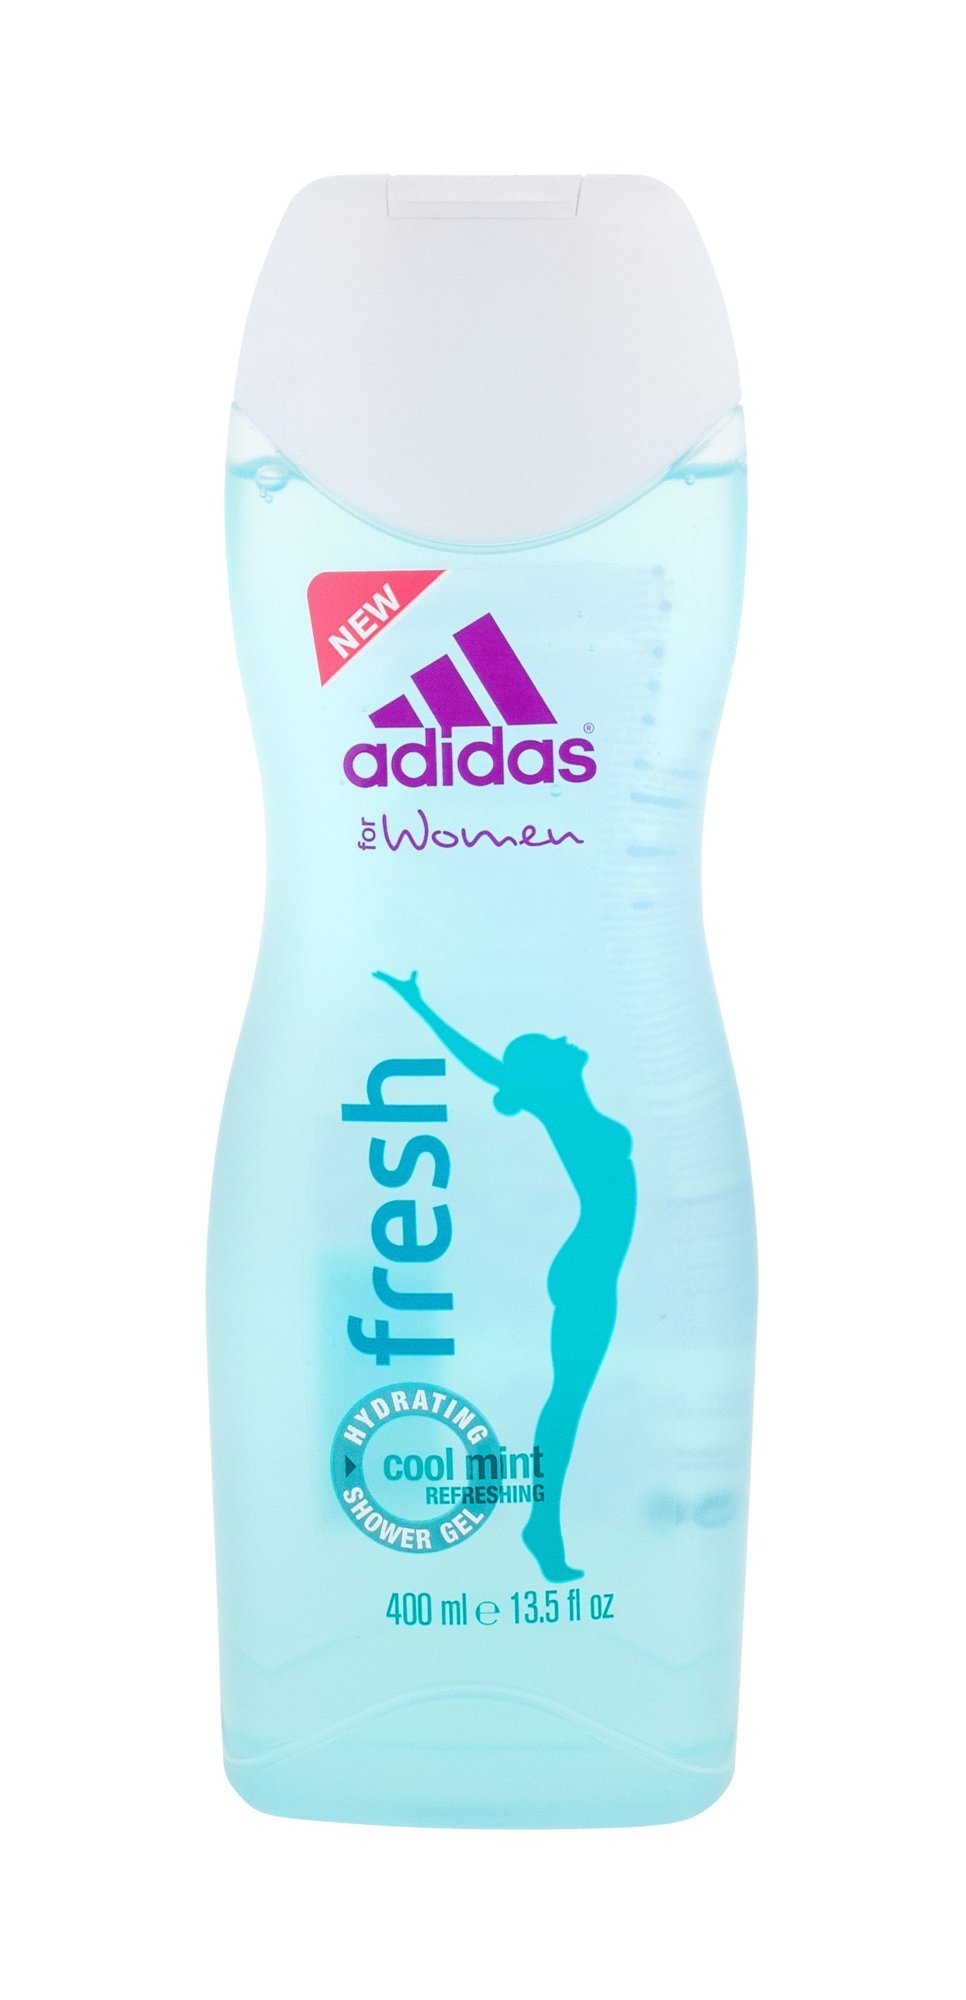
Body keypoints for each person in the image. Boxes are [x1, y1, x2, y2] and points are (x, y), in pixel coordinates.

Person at [374, 970, 636, 1581]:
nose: (564, 1038)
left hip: (594, 1269)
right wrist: (421, 1007)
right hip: (588, 1272)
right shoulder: (559, 1105)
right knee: (567, 1401)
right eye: (550, 1044)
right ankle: (542, 1525)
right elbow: (484, 1065)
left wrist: (420, 1003)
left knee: (569, 1399)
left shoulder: (571, 1102)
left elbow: (499, 1069)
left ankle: (542, 1522)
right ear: (544, 1072)